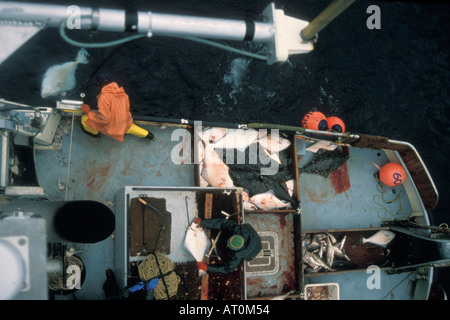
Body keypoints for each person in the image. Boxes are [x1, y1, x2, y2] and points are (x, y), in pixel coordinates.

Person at [80, 72, 155, 141]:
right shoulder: (123, 93)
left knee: (84, 119)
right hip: (126, 123)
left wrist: (88, 112)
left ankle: (95, 134)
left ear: (99, 83)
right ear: (112, 81)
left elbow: (104, 119)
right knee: (130, 127)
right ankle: (150, 136)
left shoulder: (103, 97)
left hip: (114, 129)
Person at [194, 217, 262, 274]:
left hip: (252, 253)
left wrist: (206, 268)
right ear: (236, 235)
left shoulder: (237, 255)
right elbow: (223, 223)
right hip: (253, 236)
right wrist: (203, 223)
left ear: (236, 250)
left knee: (247, 257)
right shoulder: (238, 230)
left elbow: (227, 269)